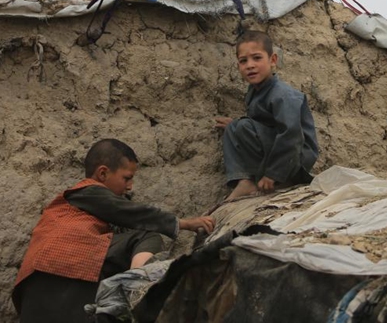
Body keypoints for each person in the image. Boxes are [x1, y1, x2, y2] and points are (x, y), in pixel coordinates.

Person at [13, 138, 215, 323]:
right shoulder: (88, 191)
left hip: (34, 288)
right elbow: (135, 214)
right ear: (102, 173)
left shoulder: (68, 209)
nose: (130, 187)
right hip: (71, 263)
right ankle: (139, 286)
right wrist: (185, 223)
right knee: (146, 235)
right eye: (126, 178)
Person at [214, 30, 319, 200]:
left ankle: (281, 180)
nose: (250, 65)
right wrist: (235, 127)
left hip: (296, 160)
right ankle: (245, 180)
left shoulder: (282, 95)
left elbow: (291, 137)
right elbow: (264, 125)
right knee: (234, 127)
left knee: (241, 126)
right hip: (281, 153)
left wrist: (273, 174)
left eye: (257, 58)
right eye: (243, 61)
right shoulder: (255, 92)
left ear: (273, 60)